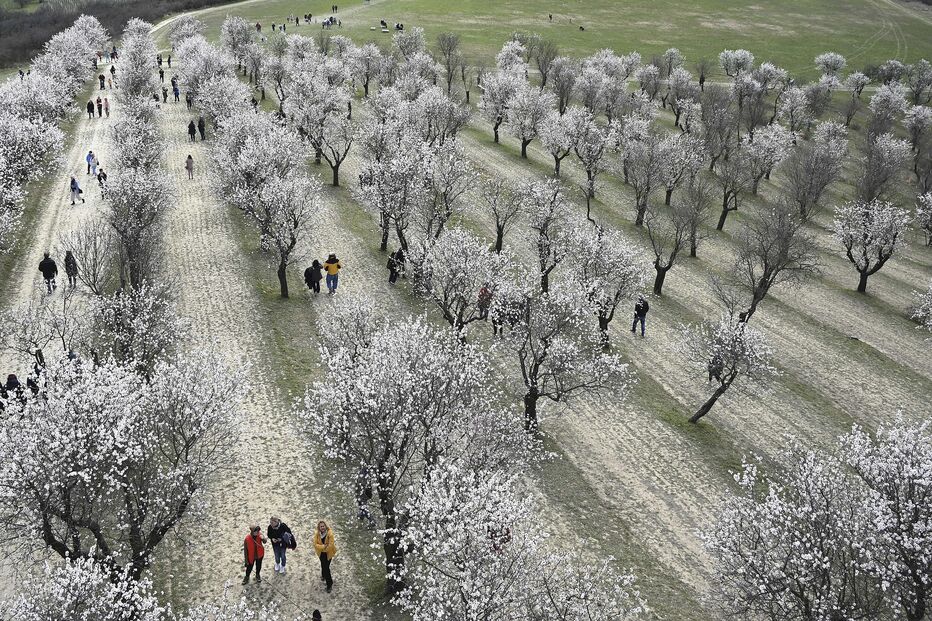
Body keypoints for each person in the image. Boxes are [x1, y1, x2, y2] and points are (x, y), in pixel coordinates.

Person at [313, 521, 337, 593]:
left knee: (326, 568)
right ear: (319, 527)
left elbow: (331, 545)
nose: (322, 527)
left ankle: (329, 584)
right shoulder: (317, 534)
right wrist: (323, 547)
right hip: (321, 553)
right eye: (321, 526)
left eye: (323, 526)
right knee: (323, 565)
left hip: (328, 553)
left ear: (325, 526)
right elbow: (315, 544)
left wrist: (324, 548)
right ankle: (323, 576)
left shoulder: (330, 534)